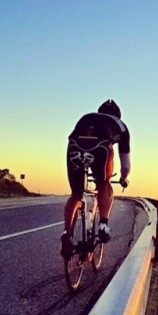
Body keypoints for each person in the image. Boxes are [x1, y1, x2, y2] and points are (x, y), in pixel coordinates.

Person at [61, 99, 131, 258]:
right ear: (118, 115)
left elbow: (75, 138)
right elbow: (125, 164)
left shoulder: (87, 117)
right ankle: (103, 225)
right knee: (104, 184)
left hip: (74, 146)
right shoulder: (121, 126)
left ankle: (67, 233)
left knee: (76, 194)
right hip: (101, 148)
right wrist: (123, 178)